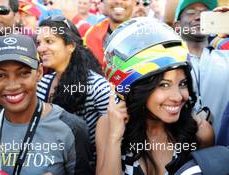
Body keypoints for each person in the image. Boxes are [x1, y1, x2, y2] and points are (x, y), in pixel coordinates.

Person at [95, 17, 214, 175]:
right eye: (164, 85)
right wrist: (115, 137)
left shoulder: (200, 132)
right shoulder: (108, 125)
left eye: (183, 83)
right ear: (137, 88)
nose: (178, 97)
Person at [0, 34, 94, 175]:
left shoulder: (71, 129)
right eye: (0, 75)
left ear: (39, 73)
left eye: (23, 73)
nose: (12, 85)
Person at [36, 15, 110, 164]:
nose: (41, 49)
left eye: (49, 41)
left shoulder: (98, 87)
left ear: (71, 46)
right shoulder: (43, 84)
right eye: (38, 43)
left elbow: (110, 144)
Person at [174, 0, 229, 136]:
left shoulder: (226, 58)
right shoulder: (166, 64)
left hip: (222, 154)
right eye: (191, 12)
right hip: (176, 154)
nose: (199, 17)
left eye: (206, 14)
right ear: (177, 25)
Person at [84, 0, 135, 68]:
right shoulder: (91, 35)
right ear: (103, 2)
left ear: (134, 2)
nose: (119, 1)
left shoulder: (147, 35)